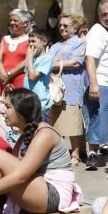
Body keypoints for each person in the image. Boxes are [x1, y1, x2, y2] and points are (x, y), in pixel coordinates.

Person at [84, 0, 108, 168]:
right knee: (98, 117)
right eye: (104, 14)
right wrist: (94, 84)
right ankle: (93, 152)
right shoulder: (96, 31)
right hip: (102, 82)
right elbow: (90, 58)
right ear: (99, 15)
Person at [46, 13, 86, 166]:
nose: (62, 28)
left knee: (72, 119)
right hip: (54, 86)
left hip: (72, 85)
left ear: (75, 28)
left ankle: (75, 154)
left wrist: (52, 64)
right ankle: (59, 153)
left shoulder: (79, 42)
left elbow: (76, 62)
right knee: (55, 121)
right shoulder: (55, 45)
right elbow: (47, 59)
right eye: (60, 25)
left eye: (66, 25)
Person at [0, 9, 32, 94]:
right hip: (3, 79)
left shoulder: (30, 39)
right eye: (10, 20)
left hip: (20, 78)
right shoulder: (5, 39)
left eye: (15, 20)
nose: (12, 23)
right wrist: (4, 76)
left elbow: (27, 60)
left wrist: (9, 75)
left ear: (25, 23)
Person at [23, 29, 53, 120]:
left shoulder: (47, 58)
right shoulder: (32, 59)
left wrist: (29, 57)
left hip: (40, 103)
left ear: (44, 42)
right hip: (29, 102)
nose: (31, 44)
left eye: (33, 41)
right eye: (29, 42)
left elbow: (32, 77)